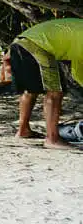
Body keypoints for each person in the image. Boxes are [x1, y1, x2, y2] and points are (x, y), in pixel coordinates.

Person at [11, 18, 83, 149]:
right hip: (38, 46)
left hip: (21, 42)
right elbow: (78, 70)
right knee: (55, 92)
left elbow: (77, 69)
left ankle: (23, 130)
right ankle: (52, 139)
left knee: (30, 90)